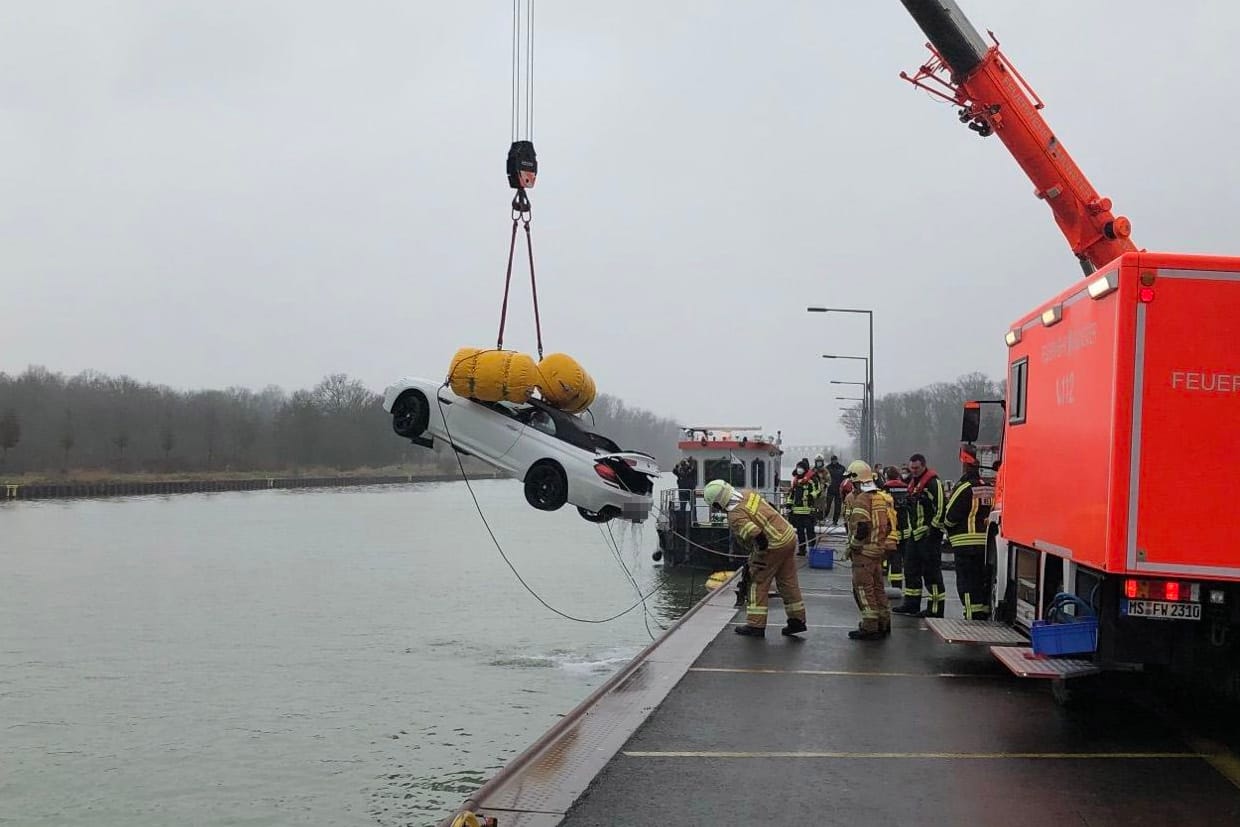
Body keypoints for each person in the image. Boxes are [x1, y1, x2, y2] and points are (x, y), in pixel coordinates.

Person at [704, 478, 807, 638]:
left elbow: (757, 535)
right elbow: (770, 508)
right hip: (788, 536)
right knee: (788, 582)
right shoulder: (748, 493)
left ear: (718, 503)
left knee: (756, 583)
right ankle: (797, 621)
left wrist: (759, 558)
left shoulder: (735, 516)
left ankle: (755, 625)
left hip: (773, 545)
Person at [892, 452, 947, 618]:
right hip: (915, 536)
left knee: (932, 573)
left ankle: (935, 609)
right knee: (911, 570)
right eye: (912, 468)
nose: (914, 471)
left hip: (928, 537)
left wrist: (934, 530)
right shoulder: (913, 482)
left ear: (923, 465)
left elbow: (941, 507)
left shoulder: (933, 483)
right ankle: (911, 604)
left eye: (916, 468)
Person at [842, 460, 892, 640]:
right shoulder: (880, 497)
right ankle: (883, 622)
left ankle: (870, 626)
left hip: (863, 553)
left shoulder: (862, 499)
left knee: (863, 590)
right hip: (877, 551)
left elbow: (862, 528)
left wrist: (853, 546)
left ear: (857, 480)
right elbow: (890, 525)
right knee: (878, 588)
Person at [944, 445, 995, 620]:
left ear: (965, 466)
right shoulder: (988, 487)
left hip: (965, 544)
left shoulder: (963, 487)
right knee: (982, 579)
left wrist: (947, 528)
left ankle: (971, 613)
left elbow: (950, 516)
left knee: (966, 581)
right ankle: (982, 610)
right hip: (986, 544)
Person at [882, 466, 909, 591]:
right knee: (907, 560)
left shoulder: (885, 489)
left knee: (894, 559)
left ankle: (896, 587)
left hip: (892, 529)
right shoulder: (906, 487)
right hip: (906, 528)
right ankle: (908, 586)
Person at [788, 458, 820, 556]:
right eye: (798, 468)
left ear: (805, 469)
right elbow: (792, 494)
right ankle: (802, 550)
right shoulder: (796, 480)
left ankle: (812, 549)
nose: (799, 469)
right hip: (797, 512)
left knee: (810, 531)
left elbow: (818, 490)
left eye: (801, 468)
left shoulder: (812, 480)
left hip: (808, 511)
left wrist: (811, 495)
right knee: (800, 532)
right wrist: (789, 504)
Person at [823, 454, 847, 526]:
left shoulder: (842, 468)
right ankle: (824, 518)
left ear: (837, 460)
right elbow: (824, 478)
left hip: (839, 490)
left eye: (835, 460)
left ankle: (835, 521)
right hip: (830, 489)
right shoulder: (827, 468)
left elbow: (844, 478)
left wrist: (843, 487)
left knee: (838, 507)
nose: (834, 461)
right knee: (827, 506)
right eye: (833, 460)